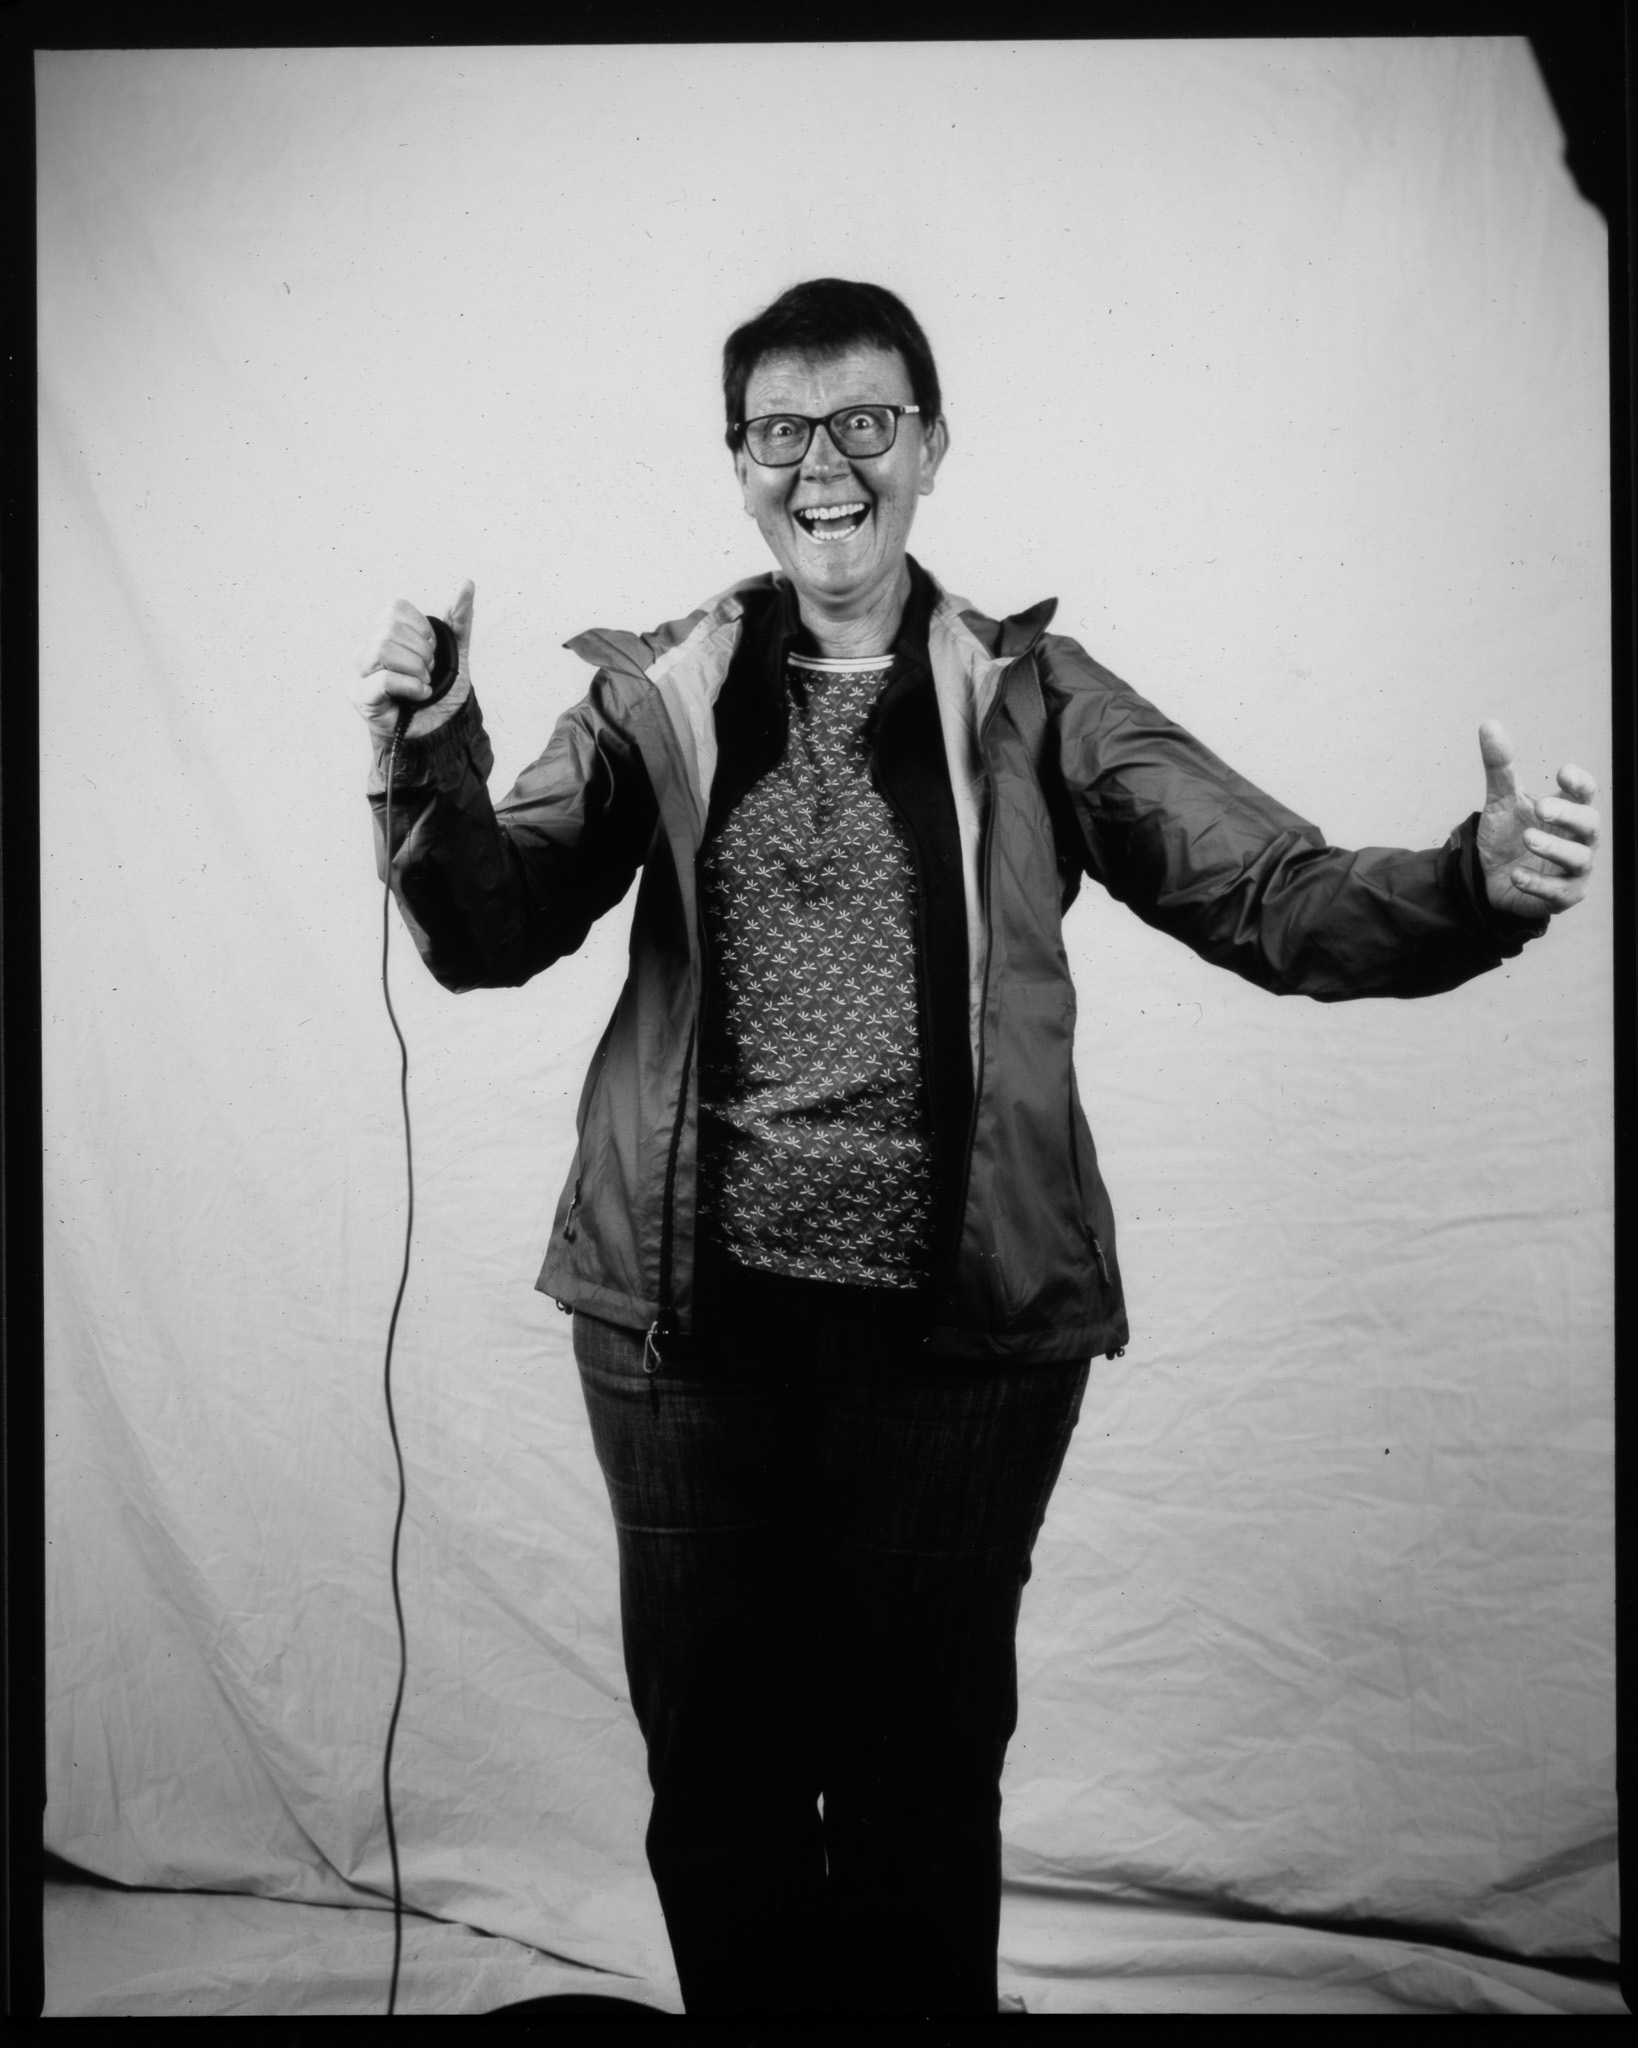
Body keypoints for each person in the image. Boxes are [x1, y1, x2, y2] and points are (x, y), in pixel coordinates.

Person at [352, 278, 1599, 2016]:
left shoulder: (1036, 695)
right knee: (715, 1776)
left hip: (959, 1346)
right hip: (682, 1335)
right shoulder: (667, 690)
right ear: (738, 466)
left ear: (930, 445)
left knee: (915, 1781)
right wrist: (427, 752)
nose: (825, 466)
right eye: (780, 432)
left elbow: (1267, 891)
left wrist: (1467, 885)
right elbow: (490, 925)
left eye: (865, 423)